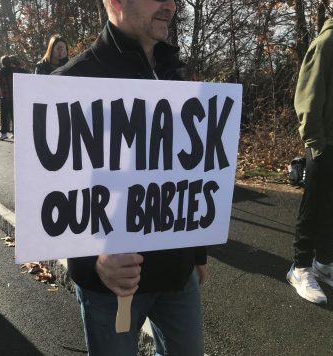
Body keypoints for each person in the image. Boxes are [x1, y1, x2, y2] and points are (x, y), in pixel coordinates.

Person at [53, 1, 206, 355]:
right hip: (111, 286)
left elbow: (192, 173)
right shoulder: (70, 82)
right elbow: (53, 197)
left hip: (177, 273)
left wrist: (198, 251)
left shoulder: (178, 75)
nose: (171, 5)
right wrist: (91, 263)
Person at [286, 2, 333, 304]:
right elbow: (307, 97)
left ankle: (324, 264)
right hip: (326, 145)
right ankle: (300, 268)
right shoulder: (327, 42)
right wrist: (316, 145)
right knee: (313, 209)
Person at [0, 55, 14, 140]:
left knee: (4, 116)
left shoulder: (0, 72)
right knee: (14, 115)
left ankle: (4, 133)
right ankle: (15, 133)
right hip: (14, 96)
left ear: (2, 63)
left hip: (4, 96)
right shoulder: (14, 70)